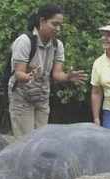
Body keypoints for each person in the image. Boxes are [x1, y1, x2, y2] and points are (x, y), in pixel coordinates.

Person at [8, 4, 87, 138]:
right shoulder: (25, 41)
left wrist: (68, 77)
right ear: (42, 21)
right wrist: (28, 77)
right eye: (54, 24)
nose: (58, 29)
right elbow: (18, 73)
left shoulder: (57, 45)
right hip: (22, 97)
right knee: (25, 141)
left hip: (42, 96)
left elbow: (57, 74)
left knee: (42, 140)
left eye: (60, 25)